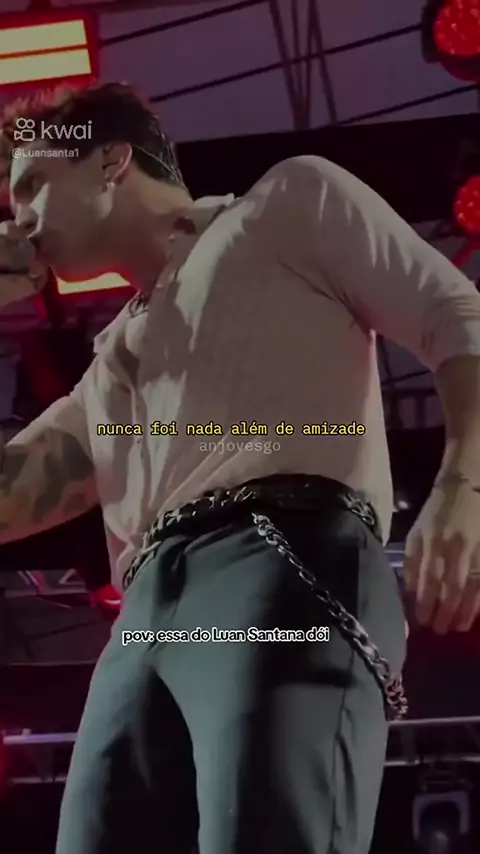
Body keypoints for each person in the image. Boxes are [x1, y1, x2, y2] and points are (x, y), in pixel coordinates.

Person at [0, 82, 479, 854]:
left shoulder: (283, 205)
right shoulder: (109, 367)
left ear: (109, 160)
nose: (18, 216)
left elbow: (455, 312)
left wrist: (465, 485)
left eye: (32, 184)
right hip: (141, 616)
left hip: (281, 555)